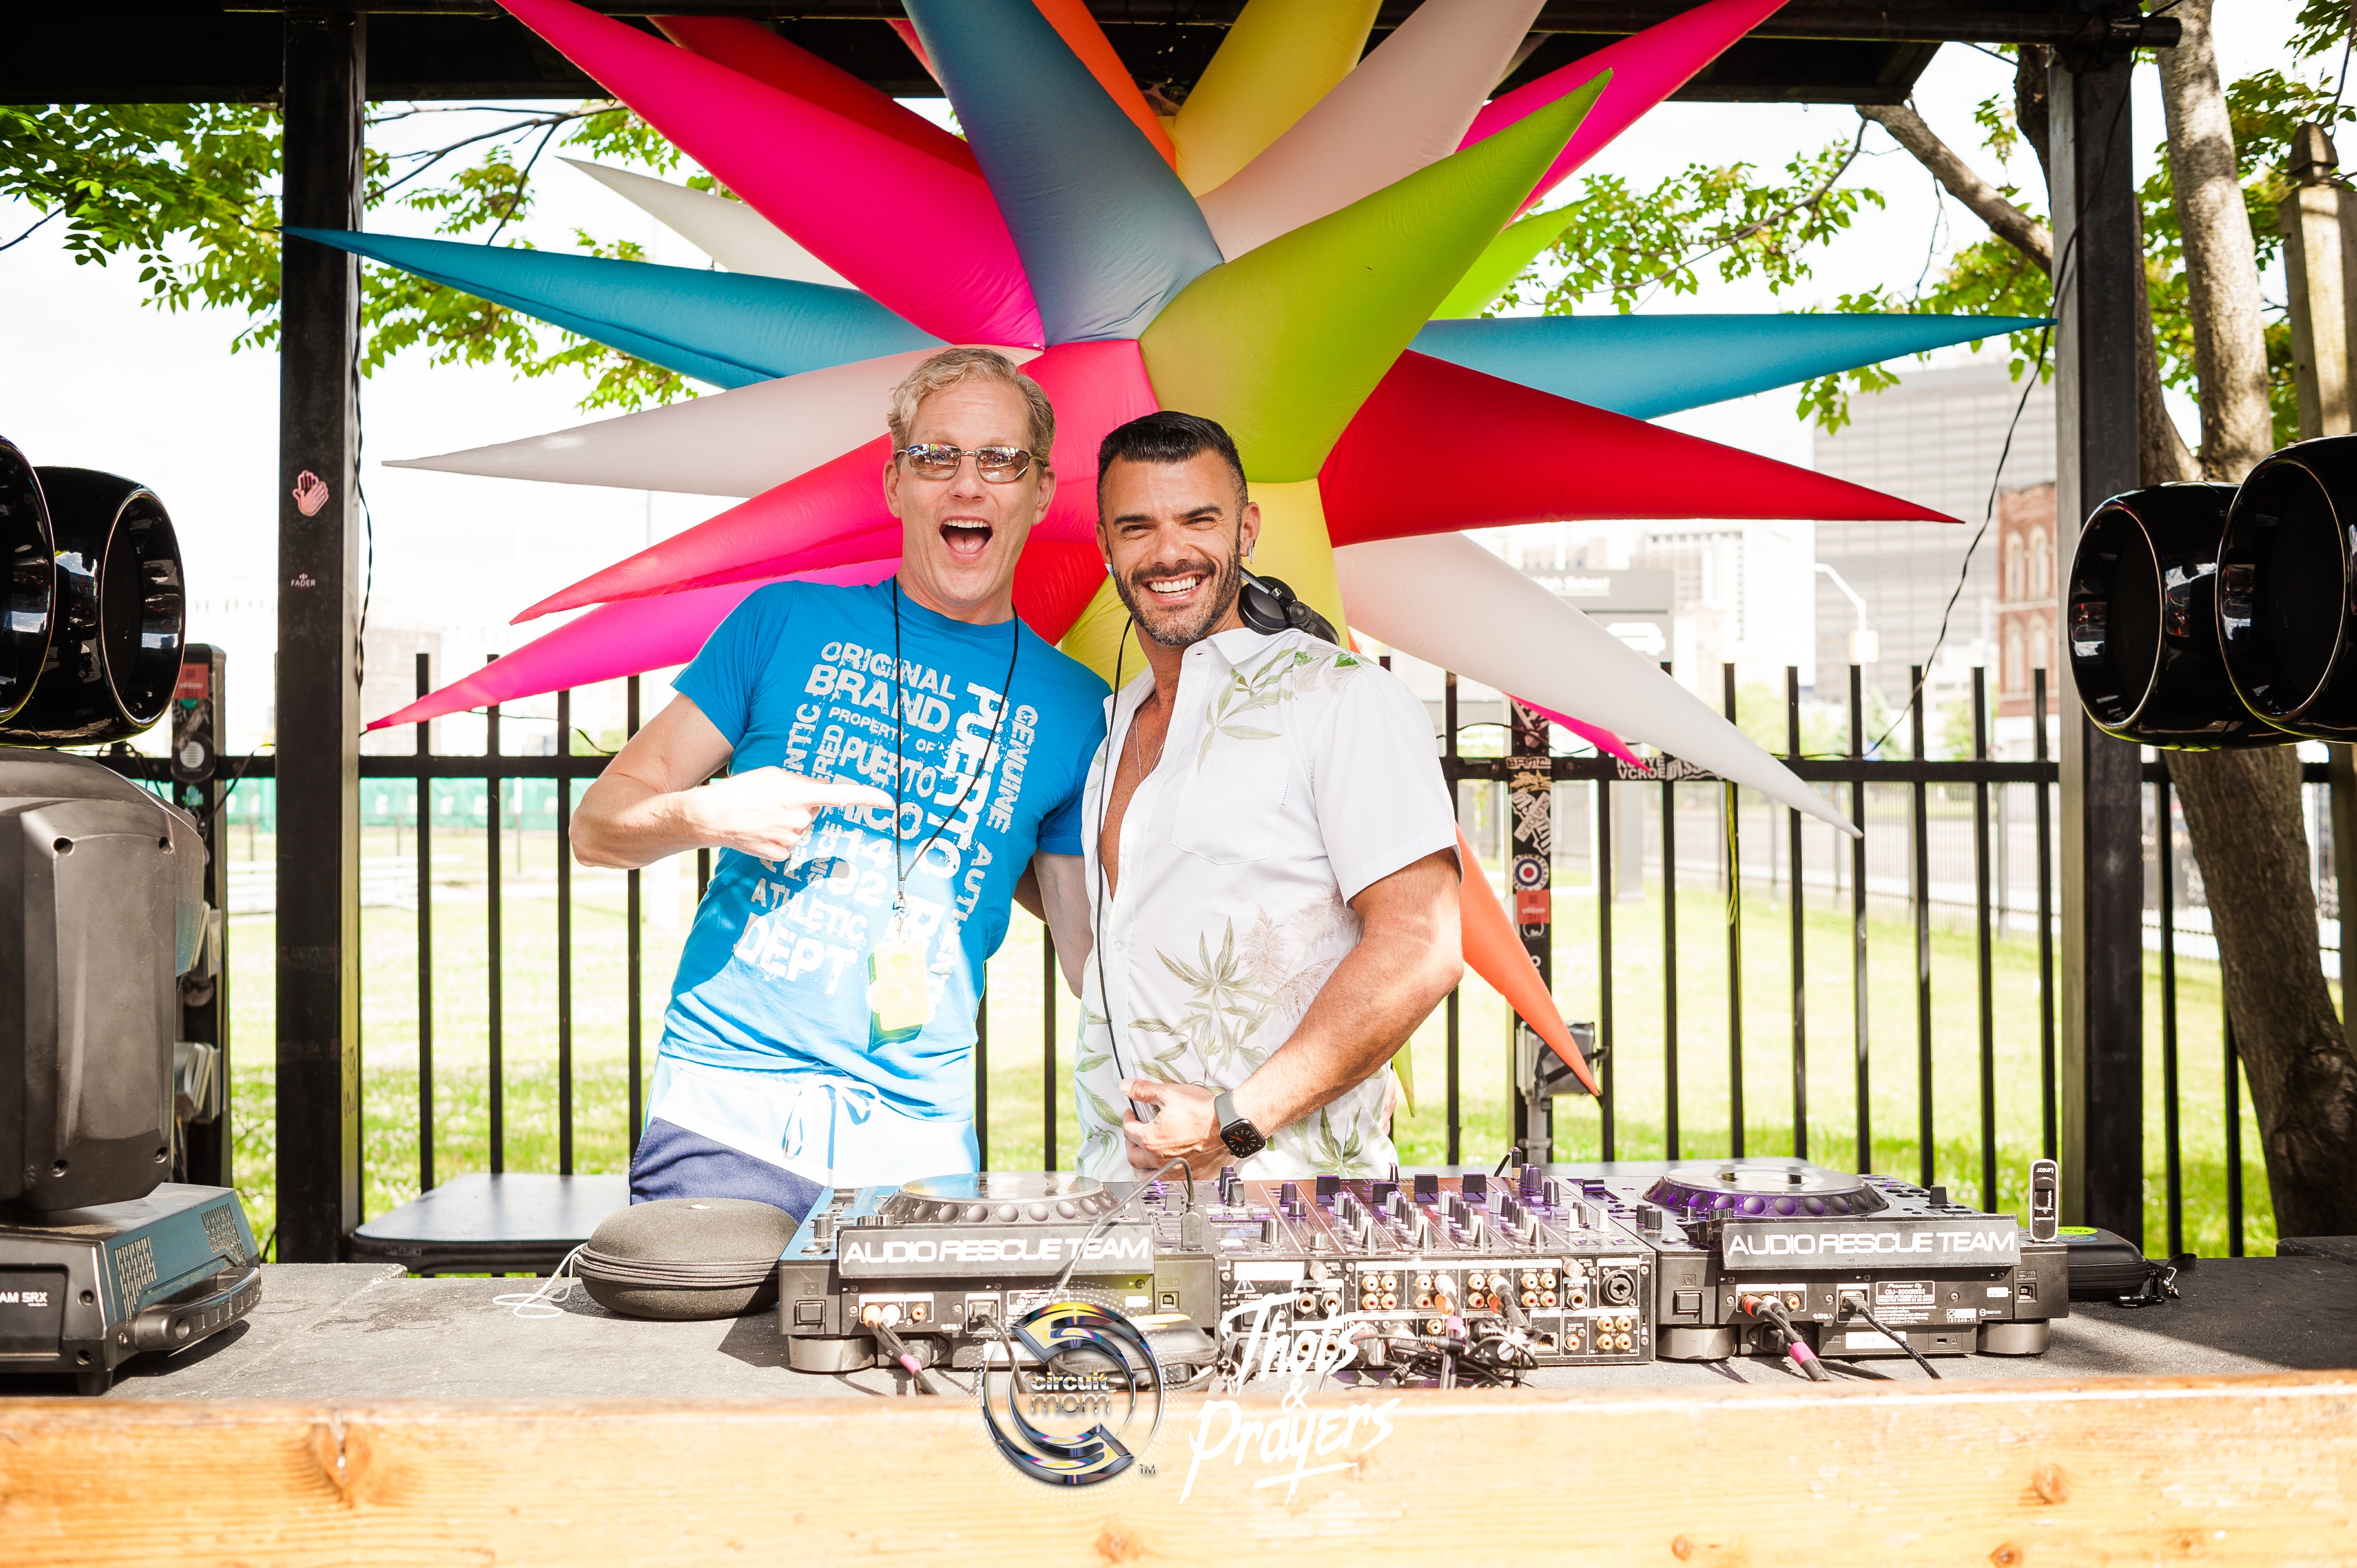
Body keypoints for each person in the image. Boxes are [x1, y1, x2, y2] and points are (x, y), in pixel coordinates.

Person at [573, 348, 1104, 1219]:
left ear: (1039, 490)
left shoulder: (1079, 709)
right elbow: (598, 827)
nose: (968, 483)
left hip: (918, 1139)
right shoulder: (783, 621)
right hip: (725, 1108)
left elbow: (1095, 956)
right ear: (897, 483)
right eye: (937, 456)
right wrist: (709, 813)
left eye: (1001, 459)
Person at [1070, 410, 1464, 1180]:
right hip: (1121, 1200)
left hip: (1292, 1207)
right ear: (1105, 546)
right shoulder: (1115, 725)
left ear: (1246, 530)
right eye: (1137, 526)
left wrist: (1235, 1122)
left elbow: (1422, 945)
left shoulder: (1343, 697)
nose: (1169, 552)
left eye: (1199, 520)